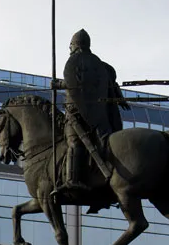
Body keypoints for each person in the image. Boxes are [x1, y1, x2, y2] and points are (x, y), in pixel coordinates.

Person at [52, 29, 129, 196]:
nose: (70, 49)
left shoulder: (79, 62)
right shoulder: (100, 65)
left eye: (71, 46)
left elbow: (79, 85)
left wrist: (58, 85)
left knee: (74, 143)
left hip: (77, 114)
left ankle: (73, 180)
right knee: (103, 142)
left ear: (75, 45)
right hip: (99, 115)